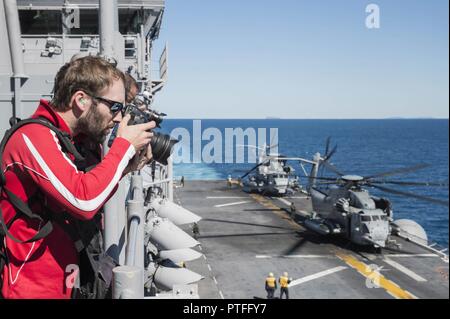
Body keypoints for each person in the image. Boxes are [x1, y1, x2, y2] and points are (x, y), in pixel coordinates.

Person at [0, 56, 155, 299]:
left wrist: (124, 168)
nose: (117, 118)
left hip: (65, 282)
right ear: (81, 100)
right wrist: (123, 146)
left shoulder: (67, 141)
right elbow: (83, 201)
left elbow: (84, 187)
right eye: (115, 107)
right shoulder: (32, 137)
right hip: (32, 289)